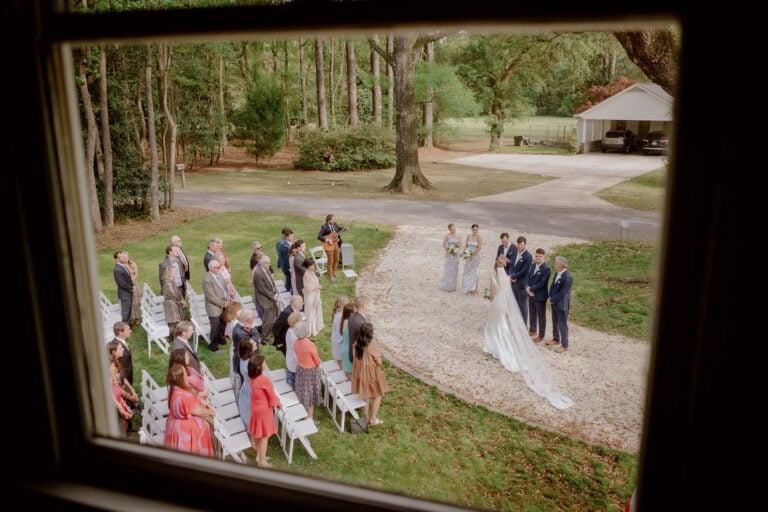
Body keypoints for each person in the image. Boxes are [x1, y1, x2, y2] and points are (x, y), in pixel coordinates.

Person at [485, 260, 574, 409]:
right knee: (501, 328)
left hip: (496, 305)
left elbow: (492, 295)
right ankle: (500, 348)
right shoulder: (507, 278)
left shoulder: (493, 279)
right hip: (503, 305)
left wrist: (489, 296)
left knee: (492, 327)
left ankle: (494, 348)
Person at [164, 362, 215, 458]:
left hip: (175, 426)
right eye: (185, 374)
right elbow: (198, 411)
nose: (187, 376)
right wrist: (210, 412)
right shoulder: (182, 396)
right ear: (180, 378)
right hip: (185, 432)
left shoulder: (174, 389)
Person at [351, 322, 389, 427]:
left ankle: (365, 418)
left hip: (360, 374)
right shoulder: (371, 346)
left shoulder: (355, 344)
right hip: (370, 374)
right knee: (377, 395)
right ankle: (373, 419)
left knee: (366, 396)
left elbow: (356, 358)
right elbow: (379, 362)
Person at [247, 353, 281, 468]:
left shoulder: (252, 378)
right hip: (263, 410)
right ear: (259, 366)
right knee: (264, 436)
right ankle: (262, 461)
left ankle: (258, 455)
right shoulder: (264, 380)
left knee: (257, 433)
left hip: (255, 407)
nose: (265, 363)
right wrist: (277, 404)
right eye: (264, 362)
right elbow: (271, 396)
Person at [292, 320, 323, 420]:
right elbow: (317, 360)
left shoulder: (296, 343)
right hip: (310, 371)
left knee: (303, 392)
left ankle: (304, 413)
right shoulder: (310, 345)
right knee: (310, 394)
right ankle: (309, 417)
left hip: (301, 369)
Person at [107, 340, 138, 433]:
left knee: (127, 414)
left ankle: (129, 428)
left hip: (123, 392)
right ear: (114, 352)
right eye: (120, 348)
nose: (123, 350)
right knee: (122, 420)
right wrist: (130, 397)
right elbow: (117, 387)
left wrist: (132, 390)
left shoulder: (117, 361)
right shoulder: (111, 368)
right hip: (119, 395)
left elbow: (122, 377)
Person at [546, 256, 573, 354]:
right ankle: (556, 338)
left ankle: (565, 344)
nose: (554, 264)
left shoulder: (567, 277)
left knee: (562, 324)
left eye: (556, 263)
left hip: (562, 304)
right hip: (554, 302)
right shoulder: (557, 273)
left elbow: (563, 292)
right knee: (555, 321)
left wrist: (552, 299)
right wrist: (550, 296)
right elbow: (553, 286)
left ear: (561, 265)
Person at [231, 308, 259, 397]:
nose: (254, 320)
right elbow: (254, 341)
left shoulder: (241, 327)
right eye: (253, 319)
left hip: (247, 357)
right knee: (246, 381)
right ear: (248, 320)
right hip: (242, 360)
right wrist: (253, 329)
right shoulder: (239, 332)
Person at [202, 259, 229, 352]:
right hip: (214, 307)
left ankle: (222, 339)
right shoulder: (207, 280)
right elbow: (211, 296)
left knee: (223, 323)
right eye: (218, 267)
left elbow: (225, 288)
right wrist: (223, 304)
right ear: (211, 268)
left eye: (220, 267)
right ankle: (213, 346)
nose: (220, 269)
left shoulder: (219, 275)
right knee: (215, 327)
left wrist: (227, 299)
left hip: (224, 304)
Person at [252, 255, 279, 344]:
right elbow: (262, 289)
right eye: (268, 263)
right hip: (264, 299)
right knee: (267, 318)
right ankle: (265, 339)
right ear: (262, 263)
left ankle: (271, 333)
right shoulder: (258, 273)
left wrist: (276, 292)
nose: (269, 265)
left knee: (273, 316)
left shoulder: (266, 270)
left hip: (271, 297)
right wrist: (273, 295)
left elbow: (272, 282)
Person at [526, 248, 551, 342]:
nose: (538, 258)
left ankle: (541, 334)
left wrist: (531, 289)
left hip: (540, 295)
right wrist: (527, 288)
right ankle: (533, 330)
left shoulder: (546, 268)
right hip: (530, 294)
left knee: (541, 316)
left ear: (543, 256)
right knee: (532, 313)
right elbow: (528, 277)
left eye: (540, 256)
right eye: (536, 256)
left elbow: (542, 283)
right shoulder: (533, 266)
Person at [509, 236, 533, 327]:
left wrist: (514, 276)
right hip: (514, 283)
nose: (520, 246)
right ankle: (516, 323)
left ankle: (523, 325)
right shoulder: (515, 252)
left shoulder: (528, 256)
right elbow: (511, 265)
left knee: (523, 306)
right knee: (515, 303)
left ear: (525, 244)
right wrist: (511, 275)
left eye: (521, 245)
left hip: (522, 283)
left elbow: (524, 270)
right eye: (519, 244)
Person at [236, 337, 258, 426]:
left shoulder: (243, 359)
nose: (256, 343)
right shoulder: (250, 364)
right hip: (252, 390)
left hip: (246, 386)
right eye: (253, 343)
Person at [161, 265, 186, 337]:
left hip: (174, 303)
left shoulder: (172, 281)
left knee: (176, 321)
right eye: (174, 271)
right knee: (173, 322)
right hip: (171, 305)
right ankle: (172, 337)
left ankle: (176, 336)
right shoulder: (167, 283)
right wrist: (181, 301)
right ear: (170, 273)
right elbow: (172, 294)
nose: (176, 272)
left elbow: (177, 292)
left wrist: (181, 299)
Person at [302, 258, 324, 337]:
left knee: (315, 310)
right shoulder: (306, 275)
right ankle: (311, 329)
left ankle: (317, 326)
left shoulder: (312, 273)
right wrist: (317, 288)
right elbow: (307, 287)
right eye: (312, 265)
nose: (313, 266)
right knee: (310, 312)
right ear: (308, 266)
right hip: (310, 296)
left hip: (314, 295)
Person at [317, 213, 343, 281]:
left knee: (337, 259)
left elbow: (339, 229)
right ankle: (330, 275)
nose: (333, 221)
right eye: (332, 220)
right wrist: (327, 240)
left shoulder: (335, 224)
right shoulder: (324, 227)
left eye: (334, 219)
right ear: (328, 220)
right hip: (328, 246)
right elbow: (319, 237)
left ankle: (334, 272)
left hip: (335, 244)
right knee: (330, 261)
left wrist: (345, 228)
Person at [438, 223, 462, 292]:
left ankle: (452, 286)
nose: (453, 230)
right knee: (448, 269)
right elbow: (443, 244)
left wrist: (456, 250)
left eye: (454, 229)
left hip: (456, 255)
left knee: (454, 269)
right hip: (449, 254)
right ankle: (446, 285)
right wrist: (448, 250)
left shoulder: (458, 236)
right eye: (452, 229)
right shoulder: (447, 236)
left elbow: (461, 244)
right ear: (449, 229)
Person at [461, 223, 483, 295]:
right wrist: (466, 253)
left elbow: (479, 248)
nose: (475, 231)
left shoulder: (479, 237)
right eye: (474, 229)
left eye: (476, 229)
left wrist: (473, 254)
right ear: (472, 229)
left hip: (475, 257)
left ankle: (473, 289)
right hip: (468, 257)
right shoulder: (468, 236)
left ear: (478, 230)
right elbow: (466, 246)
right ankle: (468, 288)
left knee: (474, 272)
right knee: (467, 272)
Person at [113, 250, 135, 323]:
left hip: (128, 292)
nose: (124, 258)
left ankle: (128, 327)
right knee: (125, 313)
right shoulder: (117, 269)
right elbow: (122, 283)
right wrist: (131, 288)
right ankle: (124, 328)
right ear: (117, 259)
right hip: (124, 294)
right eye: (121, 257)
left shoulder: (123, 266)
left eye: (123, 256)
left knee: (128, 311)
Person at [111, 321, 134, 387]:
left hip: (129, 374)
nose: (130, 331)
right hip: (123, 378)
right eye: (128, 330)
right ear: (120, 333)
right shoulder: (116, 347)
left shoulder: (123, 341)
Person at [284, 311, 304, 389]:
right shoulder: (293, 336)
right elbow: (296, 351)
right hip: (294, 361)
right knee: (294, 381)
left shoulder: (290, 330)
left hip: (290, 358)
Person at [330, 295, 349, 369]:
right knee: (342, 363)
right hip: (339, 342)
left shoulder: (336, 313)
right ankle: (343, 378)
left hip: (336, 340)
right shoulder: (341, 316)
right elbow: (341, 331)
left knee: (340, 362)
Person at [347, 295, 368, 366]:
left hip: (352, 351)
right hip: (358, 356)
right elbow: (364, 342)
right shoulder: (361, 323)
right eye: (366, 304)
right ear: (363, 306)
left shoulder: (351, 316)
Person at [339, 302, 356, 378]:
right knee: (350, 373)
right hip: (348, 349)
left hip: (344, 347)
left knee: (347, 371)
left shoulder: (344, 320)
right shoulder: (349, 323)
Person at [276, 228, 295, 293]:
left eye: (293, 236)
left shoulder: (292, 242)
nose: (293, 237)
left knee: (292, 279)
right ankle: (287, 293)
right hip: (286, 265)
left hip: (291, 264)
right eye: (291, 236)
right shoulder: (281, 244)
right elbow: (283, 256)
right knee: (288, 280)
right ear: (286, 237)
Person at [126, 256, 142, 326]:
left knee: (137, 301)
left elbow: (136, 273)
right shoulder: (122, 266)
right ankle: (131, 318)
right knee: (131, 302)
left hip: (134, 283)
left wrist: (132, 280)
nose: (126, 258)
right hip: (127, 284)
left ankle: (138, 318)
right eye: (124, 257)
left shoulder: (132, 264)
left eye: (127, 257)